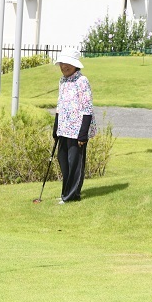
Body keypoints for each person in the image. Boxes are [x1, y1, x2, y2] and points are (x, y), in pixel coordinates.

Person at [53, 47, 96, 204]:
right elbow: (60, 104)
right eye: (62, 63)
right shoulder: (63, 81)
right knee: (63, 160)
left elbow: (87, 108)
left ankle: (70, 196)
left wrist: (83, 133)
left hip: (77, 130)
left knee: (75, 163)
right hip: (64, 128)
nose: (64, 66)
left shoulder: (81, 81)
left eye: (67, 63)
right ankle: (68, 192)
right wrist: (55, 127)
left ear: (75, 65)